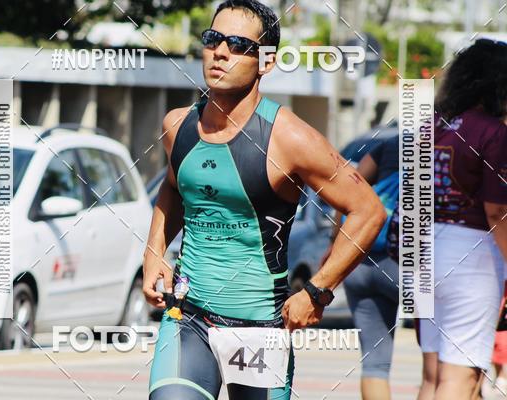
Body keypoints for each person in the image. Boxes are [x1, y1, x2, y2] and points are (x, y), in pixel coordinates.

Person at [142, 1, 387, 398]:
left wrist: (318, 291)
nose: (221, 52)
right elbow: (173, 187)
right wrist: (154, 252)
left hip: (260, 332)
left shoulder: (290, 139)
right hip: (187, 319)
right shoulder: (178, 126)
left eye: (238, 45)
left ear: (267, 61)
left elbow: (368, 211)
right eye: (213, 39)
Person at [416, 39, 507, 400]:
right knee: (461, 377)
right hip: (470, 253)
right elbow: (497, 211)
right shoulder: (493, 132)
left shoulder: (432, 127)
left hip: (423, 248)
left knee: (433, 375)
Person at [323, 135, 400, 400]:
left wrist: (336, 246)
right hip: (408, 266)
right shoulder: (450, 146)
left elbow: (348, 189)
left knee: (375, 363)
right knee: (440, 368)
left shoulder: (390, 144)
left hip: (361, 261)